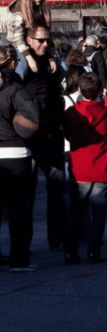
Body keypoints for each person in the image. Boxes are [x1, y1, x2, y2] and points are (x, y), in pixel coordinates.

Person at [62, 73, 107, 265]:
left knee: (75, 212)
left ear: (79, 90)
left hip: (80, 168)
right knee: (99, 211)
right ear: (99, 91)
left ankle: (71, 250)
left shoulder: (71, 114)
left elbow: (68, 136)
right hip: (102, 167)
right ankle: (94, 249)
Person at [23, 24, 66, 251]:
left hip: (52, 135)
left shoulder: (53, 63)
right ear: (29, 40)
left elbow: (64, 76)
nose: (45, 43)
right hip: (29, 137)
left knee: (57, 188)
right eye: (40, 40)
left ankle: (57, 239)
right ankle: (23, 246)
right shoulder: (23, 65)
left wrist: (53, 56)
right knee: (26, 192)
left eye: (47, 40)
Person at [0, 44, 40, 272]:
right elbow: (32, 117)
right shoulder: (15, 87)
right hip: (15, 154)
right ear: (12, 63)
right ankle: (19, 260)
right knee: (20, 213)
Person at [6, 0, 57, 79]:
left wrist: (51, 56)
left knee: (62, 67)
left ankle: (54, 91)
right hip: (16, 45)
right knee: (23, 67)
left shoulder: (44, 9)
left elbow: (47, 34)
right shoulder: (18, 10)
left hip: (34, 43)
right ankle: (16, 91)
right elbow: (18, 38)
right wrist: (29, 57)